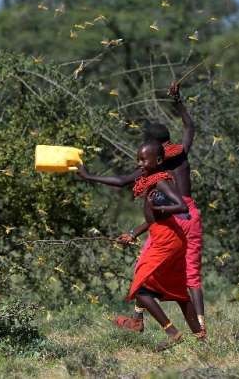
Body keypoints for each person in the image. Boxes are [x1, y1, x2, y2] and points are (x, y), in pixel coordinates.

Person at [77, 82, 207, 337]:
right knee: (188, 275)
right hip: (189, 216)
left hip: (172, 218)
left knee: (147, 269)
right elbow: (190, 127)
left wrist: (89, 176)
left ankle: (147, 322)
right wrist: (177, 100)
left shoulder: (156, 167)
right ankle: (199, 328)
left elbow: (124, 181)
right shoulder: (180, 153)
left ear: (155, 149)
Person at [126, 140, 202, 351]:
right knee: (178, 291)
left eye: (144, 159)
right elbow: (152, 219)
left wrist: (161, 209)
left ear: (158, 160)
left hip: (166, 240)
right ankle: (201, 337)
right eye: (138, 159)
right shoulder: (152, 181)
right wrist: (132, 233)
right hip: (169, 238)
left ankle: (172, 332)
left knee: (140, 289)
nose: (140, 163)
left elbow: (179, 205)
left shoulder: (161, 182)